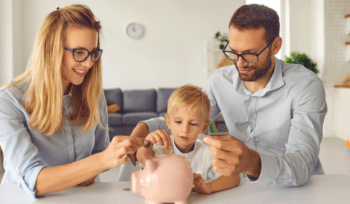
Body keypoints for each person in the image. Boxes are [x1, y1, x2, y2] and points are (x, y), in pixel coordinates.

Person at [129, 4, 327, 187]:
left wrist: (254, 163)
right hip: (242, 188)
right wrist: (145, 126)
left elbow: (302, 164)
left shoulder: (305, 85)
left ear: (275, 46)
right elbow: (188, 117)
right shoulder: (220, 80)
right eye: (233, 52)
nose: (239, 64)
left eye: (250, 53)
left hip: (298, 189)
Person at [0, 4, 146, 198]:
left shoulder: (93, 95)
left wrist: (123, 153)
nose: (89, 63)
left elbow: (99, 155)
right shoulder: (10, 101)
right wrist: (101, 161)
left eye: (93, 53)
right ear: (51, 51)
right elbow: (33, 180)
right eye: (79, 52)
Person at [136, 85, 240, 194]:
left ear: (204, 127)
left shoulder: (207, 151)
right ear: (168, 121)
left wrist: (209, 187)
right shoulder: (162, 145)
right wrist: (148, 143)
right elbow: (142, 158)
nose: (185, 130)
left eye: (193, 124)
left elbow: (234, 177)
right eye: (178, 122)